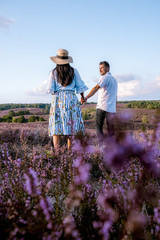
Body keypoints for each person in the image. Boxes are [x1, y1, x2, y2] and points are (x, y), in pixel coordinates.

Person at [46, 49, 88, 151]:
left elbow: (51, 90)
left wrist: (59, 92)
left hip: (58, 99)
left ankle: (57, 152)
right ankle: (70, 152)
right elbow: (80, 86)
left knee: (56, 125)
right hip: (71, 99)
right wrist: (82, 97)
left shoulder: (53, 72)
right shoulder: (74, 71)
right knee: (71, 126)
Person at [83, 61, 118, 141]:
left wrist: (86, 97)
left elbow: (96, 88)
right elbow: (115, 96)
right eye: (99, 68)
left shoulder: (104, 78)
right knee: (111, 129)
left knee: (98, 126)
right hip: (111, 109)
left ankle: (102, 145)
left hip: (102, 107)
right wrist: (115, 107)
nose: (100, 70)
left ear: (108, 68)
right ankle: (112, 147)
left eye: (102, 68)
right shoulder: (114, 80)